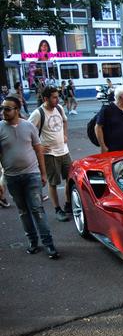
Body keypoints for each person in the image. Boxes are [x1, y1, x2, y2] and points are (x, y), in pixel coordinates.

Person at [0, 95, 59, 258]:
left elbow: (38, 150)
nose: (3, 111)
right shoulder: (0, 128)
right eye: (2, 108)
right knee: (23, 212)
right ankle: (33, 242)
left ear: (17, 110)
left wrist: (43, 173)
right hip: (12, 177)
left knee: (37, 210)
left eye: (7, 108)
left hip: (31, 175)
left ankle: (49, 245)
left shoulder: (28, 126)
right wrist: (1, 181)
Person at [28, 86, 71, 222]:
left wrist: (65, 134)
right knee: (53, 183)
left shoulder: (59, 108)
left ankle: (68, 204)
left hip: (64, 151)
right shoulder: (38, 113)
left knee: (70, 179)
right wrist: (38, 147)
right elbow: (27, 131)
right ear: (45, 98)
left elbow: (64, 120)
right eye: (54, 97)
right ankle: (58, 209)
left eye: (58, 96)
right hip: (50, 154)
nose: (57, 99)